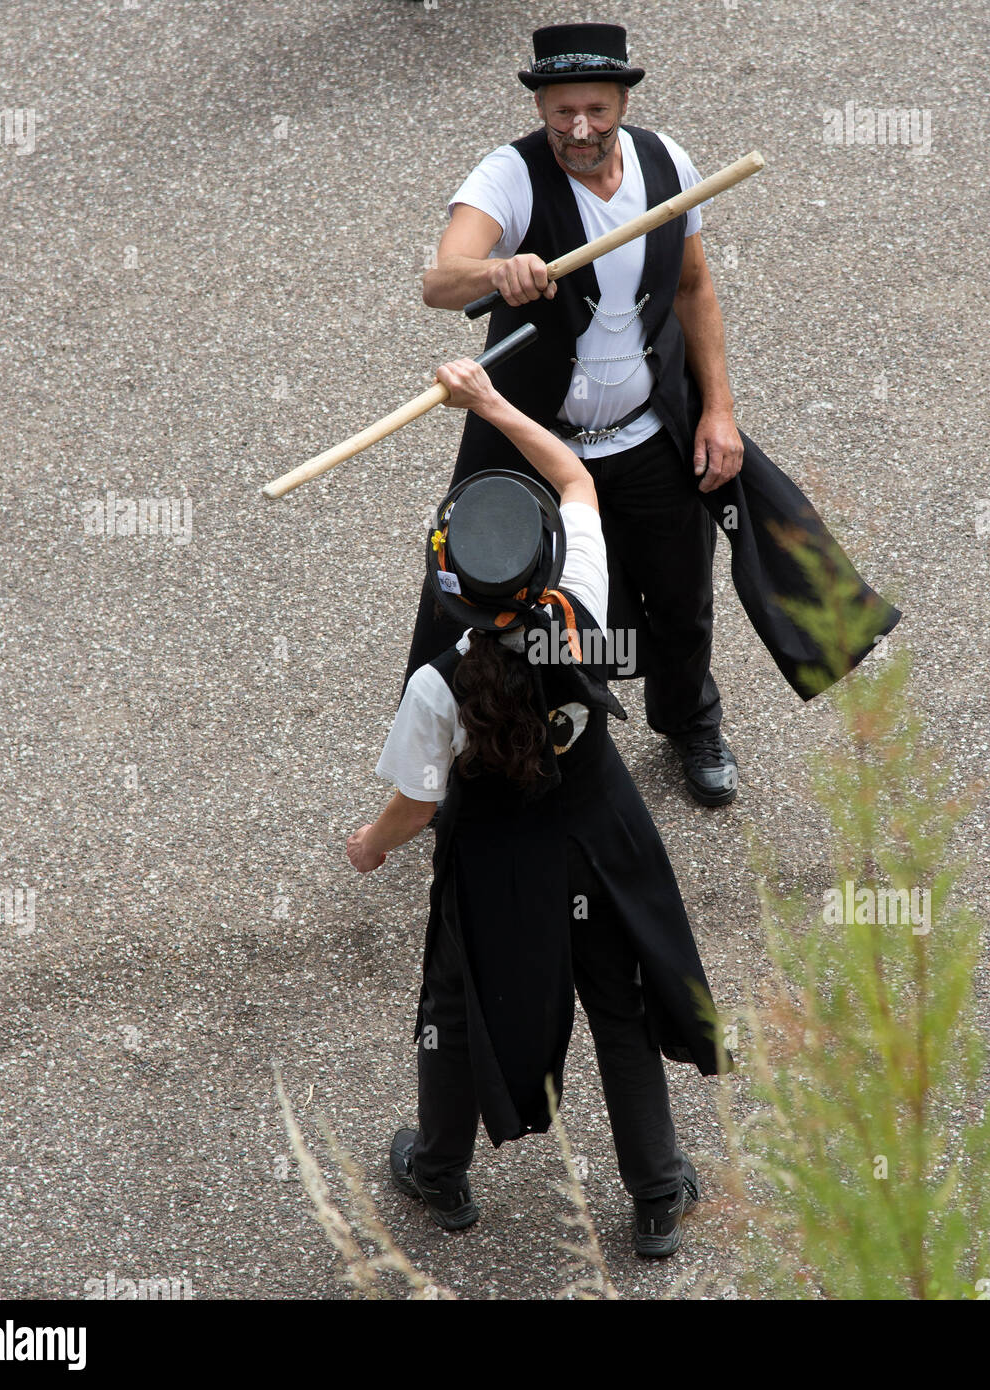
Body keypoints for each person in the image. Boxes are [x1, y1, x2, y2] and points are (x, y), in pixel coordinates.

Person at [405, 21, 902, 808]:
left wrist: (720, 411)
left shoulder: (668, 164)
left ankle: (689, 723)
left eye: (596, 110)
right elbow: (439, 282)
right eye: (562, 111)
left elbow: (694, 289)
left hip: (648, 430)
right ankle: (479, 754)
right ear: (541, 107)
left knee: (679, 599)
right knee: (500, 605)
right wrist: (496, 269)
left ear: (623, 100)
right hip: (538, 445)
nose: (579, 129)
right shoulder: (510, 175)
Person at [348, 355, 730, 1257]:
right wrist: (491, 402)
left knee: (458, 999)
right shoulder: (583, 597)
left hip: (496, 860)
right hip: (599, 831)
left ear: (456, 592)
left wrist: (370, 846)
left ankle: (441, 1173)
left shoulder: (441, 688)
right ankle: (657, 1192)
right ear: (542, 563)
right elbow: (571, 473)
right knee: (623, 1003)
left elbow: (415, 802)